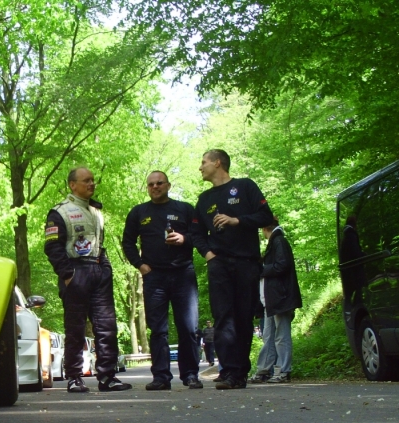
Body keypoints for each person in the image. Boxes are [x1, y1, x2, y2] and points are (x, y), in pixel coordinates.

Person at [44, 166, 132, 393]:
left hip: (99, 270)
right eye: (86, 180)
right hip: (76, 272)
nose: (92, 184)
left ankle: (107, 376)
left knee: (106, 327)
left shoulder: (96, 210)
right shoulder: (59, 212)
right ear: (72, 185)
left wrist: (106, 267)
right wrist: (67, 275)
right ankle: (74, 377)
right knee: (75, 329)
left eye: (93, 180)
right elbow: (52, 247)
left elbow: (99, 243)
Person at [192, 149, 274, 389]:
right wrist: (209, 255)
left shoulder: (245, 186)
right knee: (222, 317)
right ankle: (228, 372)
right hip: (219, 264)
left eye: (204, 162)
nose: (200, 167)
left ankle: (239, 373)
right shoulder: (204, 199)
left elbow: (265, 216)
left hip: (246, 262)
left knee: (243, 317)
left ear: (218, 163)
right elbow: (196, 233)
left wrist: (237, 220)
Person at [122, 171, 202, 390]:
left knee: (189, 327)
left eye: (159, 183)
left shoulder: (184, 209)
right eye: (150, 184)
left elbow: (199, 236)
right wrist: (140, 265)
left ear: (168, 185)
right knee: (158, 329)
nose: (155, 187)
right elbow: (128, 242)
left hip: (183, 274)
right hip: (154, 277)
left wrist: (184, 238)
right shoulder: (139, 212)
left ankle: (190, 375)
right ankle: (161, 377)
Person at [249, 218, 302, 383]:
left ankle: (283, 370)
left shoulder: (279, 241)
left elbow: (282, 265)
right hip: (271, 299)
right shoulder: (275, 242)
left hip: (280, 297)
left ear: (265, 228)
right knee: (269, 336)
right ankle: (264, 370)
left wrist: (261, 270)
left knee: (281, 336)